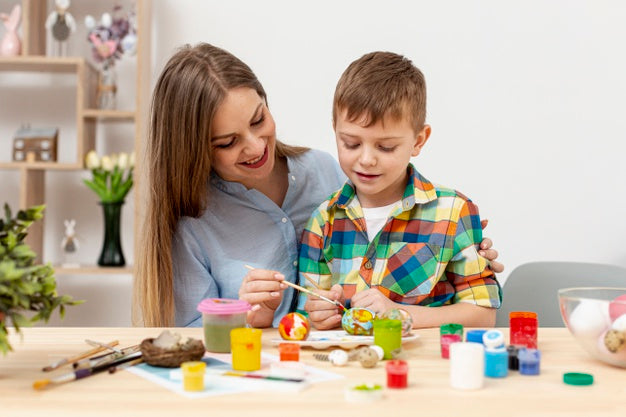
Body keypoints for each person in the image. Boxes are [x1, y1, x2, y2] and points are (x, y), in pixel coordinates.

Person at [134, 43, 503, 329]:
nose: (255, 146)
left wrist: (461, 240)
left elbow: (393, 217)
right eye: (227, 142)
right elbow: (194, 340)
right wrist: (253, 318)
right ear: (195, 149)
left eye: (259, 119)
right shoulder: (196, 223)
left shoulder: (324, 170)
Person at [300, 51, 502, 330]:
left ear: (418, 141)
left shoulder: (453, 212)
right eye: (351, 143)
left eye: (385, 147)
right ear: (335, 130)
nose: (367, 159)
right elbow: (308, 315)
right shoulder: (323, 221)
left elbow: (484, 314)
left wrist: (399, 313)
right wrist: (318, 314)